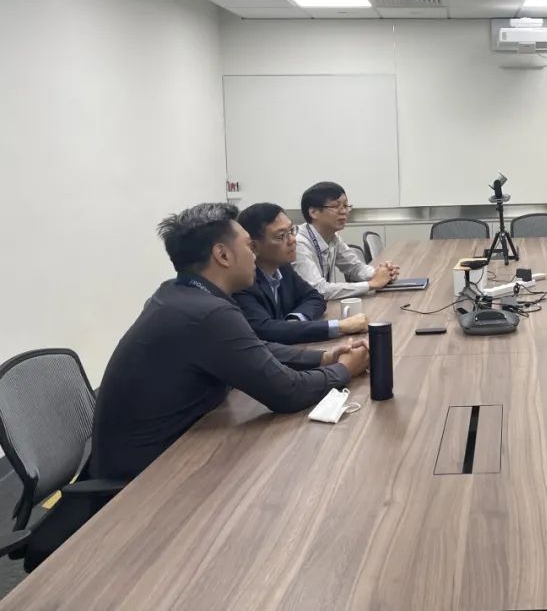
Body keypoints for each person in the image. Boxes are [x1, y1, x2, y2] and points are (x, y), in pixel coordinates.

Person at [91, 203, 371, 482]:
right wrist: (345, 369)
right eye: (249, 246)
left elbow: (252, 348)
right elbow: (288, 393)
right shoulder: (207, 313)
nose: (254, 255)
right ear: (223, 255)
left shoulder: (180, 293)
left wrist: (323, 358)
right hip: (146, 479)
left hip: (164, 451)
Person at [235, 202, 370, 344]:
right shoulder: (242, 281)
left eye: (292, 231)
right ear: (254, 247)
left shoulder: (282, 268)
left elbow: (315, 297)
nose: (292, 240)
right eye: (281, 236)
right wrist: (340, 326)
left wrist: (295, 320)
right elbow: (265, 329)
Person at [293, 181, 399, 300]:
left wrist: (381, 273)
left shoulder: (333, 237)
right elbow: (319, 290)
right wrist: (371, 284)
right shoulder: (298, 244)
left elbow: (354, 268)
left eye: (345, 206)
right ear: (313, 212)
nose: (344, 211)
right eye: (335, 206)